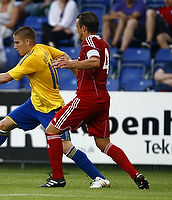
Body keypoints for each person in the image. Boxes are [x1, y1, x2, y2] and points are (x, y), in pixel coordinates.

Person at [0, 26, 111, 188]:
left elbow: (7, 77)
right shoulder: (43, 48)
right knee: (3, 125)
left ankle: (99, 178)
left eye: (17, 43)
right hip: (34, 104)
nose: (14, 46)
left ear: (27, 42)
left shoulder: (32, 58)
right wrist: (75, 72)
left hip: (52, 108)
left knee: (66, 148)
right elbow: (63, 55)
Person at [45, 11, 149, 189]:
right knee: (103, 143)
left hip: (88, 98)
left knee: (52, 130)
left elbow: (94, 61)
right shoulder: (103, 44)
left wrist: (71, 63)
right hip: (101, 98)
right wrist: (72, 63)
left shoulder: (90, 41)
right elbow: (88, 71)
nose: (76, 30)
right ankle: (135, 174)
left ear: (84, 28)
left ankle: (57, 178)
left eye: (77, 27)